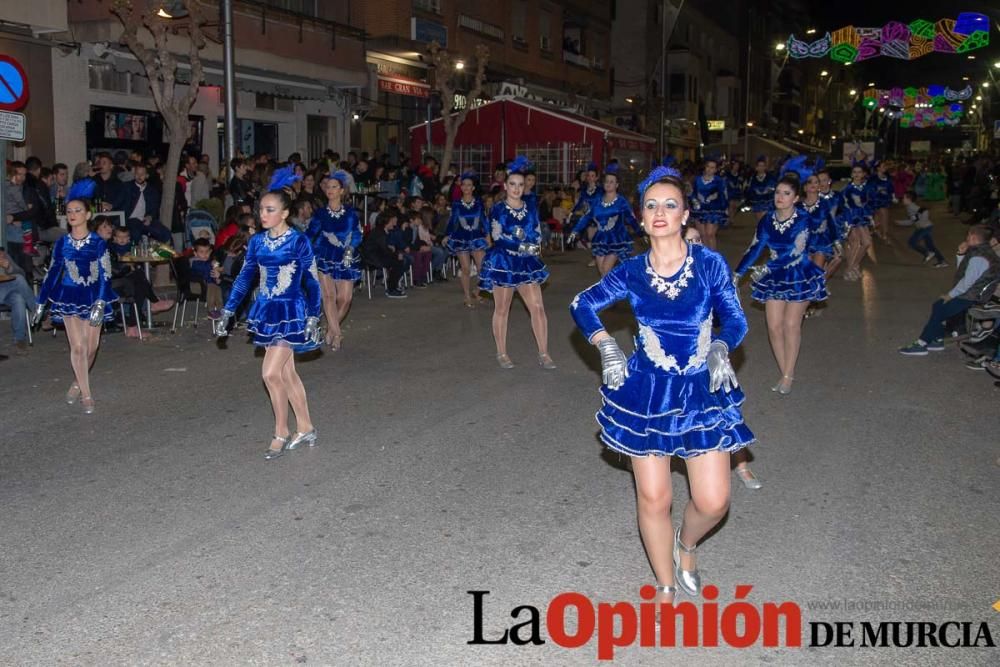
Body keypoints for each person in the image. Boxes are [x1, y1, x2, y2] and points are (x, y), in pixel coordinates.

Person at [569, 165, 753, 608]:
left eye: (670, 204)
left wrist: (721, 347)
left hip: (699, 390)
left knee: (713, 502)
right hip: (647, 390)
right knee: (654, 496)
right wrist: (606, 345)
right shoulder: (631, 271)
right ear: (641, 215)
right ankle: (665, 585)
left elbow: (737, 318)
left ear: (685, 214)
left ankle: (685, 546)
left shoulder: (708, 264)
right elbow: (583, 303)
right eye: (651, 205)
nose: (660, 212)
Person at [213, 178, 323, 460]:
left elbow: (311, 281)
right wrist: (228, 310)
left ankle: (281, 431)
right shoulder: (257, 242)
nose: (263, 214)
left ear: (285, 213)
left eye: (270, 209)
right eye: (261, 208)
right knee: (287, 373)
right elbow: (244, 279)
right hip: (266, 311)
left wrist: (313, 314)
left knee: (270, 373)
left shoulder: (299, 241)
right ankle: (307, 426)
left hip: (291, 312)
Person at [734, 168, 828, 395]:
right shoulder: (767, 219)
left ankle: (788, 374)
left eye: (786, 193)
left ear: (796, 198)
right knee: (774, 327)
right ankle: (784, 370)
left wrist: (766, 267)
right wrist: (738, 273)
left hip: (799, 274)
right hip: (774, 276)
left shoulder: (804, 218)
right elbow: (756, 247)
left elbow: (796, 252)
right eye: (778, 192)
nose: (780, 197)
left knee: (791, 324)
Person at [32, 179, 118, 414]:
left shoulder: (98, 243)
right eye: (69, 211)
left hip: (93, 296)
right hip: (68, 295)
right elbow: (52, 274)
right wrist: (41, 303)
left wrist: (101, 301)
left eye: (77, 210)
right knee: (78, 348)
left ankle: (76, 383)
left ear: (88, 214)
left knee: (91, 348)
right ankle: (87, 395)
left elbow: (105, 274)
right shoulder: (62, 243)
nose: (72, 214)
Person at [478, 156, 554, 369]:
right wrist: (522, 242)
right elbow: (498, 238)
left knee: (538, 307)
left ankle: (544, 353)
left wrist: (529, 246)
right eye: (512, 184)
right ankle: (501, 352)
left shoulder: (531, 209)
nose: (517, 188)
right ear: (505, 185)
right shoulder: (498, 209)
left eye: (520, 185)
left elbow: (537, 237)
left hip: (526, 263)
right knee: (502, 308)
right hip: (503, 262)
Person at [899, 226, 1000, 356]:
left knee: (940, 308)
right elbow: (963, 273)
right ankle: (937, 340)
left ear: (973, 237)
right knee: (938, 306)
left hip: (971, 297)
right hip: (976, 293)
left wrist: (950, 295)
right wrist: (961, 254)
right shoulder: (984, 252)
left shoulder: (978, 257)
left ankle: (921, 344)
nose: (966, 238)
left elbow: (966, 283)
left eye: (968, 235)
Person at [307, 170, 362, 351]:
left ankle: (330, 328)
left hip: (345, 255)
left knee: (345, 299)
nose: (330, 190)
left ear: (342, 191)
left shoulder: (351, 213)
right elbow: (310, 234)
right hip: (325, 255)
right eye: (327, 187)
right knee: (329, 296)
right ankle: (337, 334)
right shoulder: (320, 214)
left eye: (334, 187)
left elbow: (357, 233)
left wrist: (350, 248)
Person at [96, 218, 174, 338]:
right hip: (105, 285)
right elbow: (111, 270)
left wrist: (127, 267)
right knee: (138, 279)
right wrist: (128, 267)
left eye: (109, 226)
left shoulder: (107, 245)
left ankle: (138, 321)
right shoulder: (99, 246)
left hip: (114, 280)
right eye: (105, 227)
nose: (109, 229)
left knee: (138, 278)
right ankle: (151, 305)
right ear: (96, 231)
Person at [567, 163, 641, 275]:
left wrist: (641, 232)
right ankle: (613, 290)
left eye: (612, 182)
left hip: (616, 239)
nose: (608, 184)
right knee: (602, 271)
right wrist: (574, 231)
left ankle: (613, 289)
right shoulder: (597, 202)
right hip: (600, 239)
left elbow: (630, 219)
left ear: (617, 185)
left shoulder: (621, 201)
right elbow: (586, 217)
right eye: (606, 181)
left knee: (606, 269)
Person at [445, 172, 489, 307]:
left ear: (473, 188)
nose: (466, 187)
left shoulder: (479, 203)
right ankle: (467, 296)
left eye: (469, 185)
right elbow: (453, 221)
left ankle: (477, 291)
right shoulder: (456, 203)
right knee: (465, 269)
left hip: (476, 237)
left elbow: (484, 220)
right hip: (461, 237)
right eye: (463, 185)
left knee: (483, 268)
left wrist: (487, 236)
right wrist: (448, 235)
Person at [837, 164, 874, 281]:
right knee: (855, 243)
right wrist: (847, 222)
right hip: (850, 218)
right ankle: (850, 269)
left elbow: (868, 203)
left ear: (863, 174)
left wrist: (869, 216)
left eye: (859, 172)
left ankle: (852, 266)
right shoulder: (847, 189)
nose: (857, 174)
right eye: (855, 172)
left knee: (867, 242)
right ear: (852, 174)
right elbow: (843, 206)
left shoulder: (866, 187)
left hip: (862, 217)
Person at [360, 212, 408, 299]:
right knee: (398, 262)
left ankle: (393, 286)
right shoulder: (379, 232)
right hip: (370, 258)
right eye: (391, 221)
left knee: (399, 260)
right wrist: (396, 254)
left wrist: (393, 252)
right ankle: (391, 289)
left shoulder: (380, 230)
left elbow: (382, 247)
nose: (393, 223)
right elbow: (384, 250)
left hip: (375, 255)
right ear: (386, 222)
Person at [0, 248, 37, 355]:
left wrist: (9, 267)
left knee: (18, 298)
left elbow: (21, 273)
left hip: (6, 290)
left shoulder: (3, 254)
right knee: (19, 280)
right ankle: (38, 312)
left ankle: (19, 339)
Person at [896, 190, 947, 268]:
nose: (902, 199)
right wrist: (900, 223)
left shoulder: (911, 206)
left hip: (924, 228)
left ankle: (927, 253)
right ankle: (942, 261)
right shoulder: (909, 207)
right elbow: (911, 221)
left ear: (908, 199)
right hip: (926, 227)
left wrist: (923, 221)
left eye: (904, 198)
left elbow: (924, 211)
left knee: (912, 242)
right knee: (930, 246)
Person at [120, 164, 168, 243]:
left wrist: (150, 217)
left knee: (165, 233)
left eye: (142, 174)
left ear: (147, 176)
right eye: (137, 174)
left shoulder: (152, 190)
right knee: (135, 233)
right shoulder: (127, 187)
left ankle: (158, 252)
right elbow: (119, 201)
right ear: (134, 175)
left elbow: (154, 207)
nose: (139, 176)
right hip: (131, 219)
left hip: (146, 219)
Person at [689, 157, 729, 250]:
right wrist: (695, 200)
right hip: (700, 209)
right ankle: (706, 255)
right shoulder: (697, 179)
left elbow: (723, 195)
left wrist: (725, 208)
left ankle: (713, 258)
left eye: (712, 167)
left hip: (714, 209)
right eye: (708, 166)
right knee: (702, 235)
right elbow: (692, 193)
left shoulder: (719, 180)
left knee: (710, 234)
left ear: (715, 170)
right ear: (705, 167)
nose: (710, 169)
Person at [745, 156, 777, 223]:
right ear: (756, 167)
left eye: (763, 166)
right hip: (757, 202)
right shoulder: (752, 178)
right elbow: (749, 189)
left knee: (764, 219)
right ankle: (760, 232)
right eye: (759, 166)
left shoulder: (770, 177)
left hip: (767, 202)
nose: (761, 167)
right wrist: (754, 191)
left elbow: (774, 187)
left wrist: (768, 190)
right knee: (759, 221)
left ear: (765, 167)